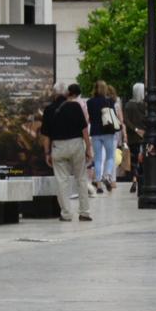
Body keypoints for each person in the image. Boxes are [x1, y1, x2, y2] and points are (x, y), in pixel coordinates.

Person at [41, 83, 91, 222]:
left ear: (54, 93)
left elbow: (46, 136)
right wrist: (88, 148)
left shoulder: (49, 109)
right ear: (66, 93)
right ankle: (84, 212)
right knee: (81, 178)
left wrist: (47, 153)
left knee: (62, 181)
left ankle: (66, 213)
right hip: (76, 144)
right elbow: (84, 130)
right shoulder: (75, 106)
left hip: (58, 146)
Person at [87, 81, 121, 197]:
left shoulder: (89, 102)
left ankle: (99, 185)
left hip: (95, 132)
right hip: (108, 131)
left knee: (97, 159)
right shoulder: (109, 101)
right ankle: (107, 176)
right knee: (110, 156)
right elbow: (113, 117)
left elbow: (90, 118)